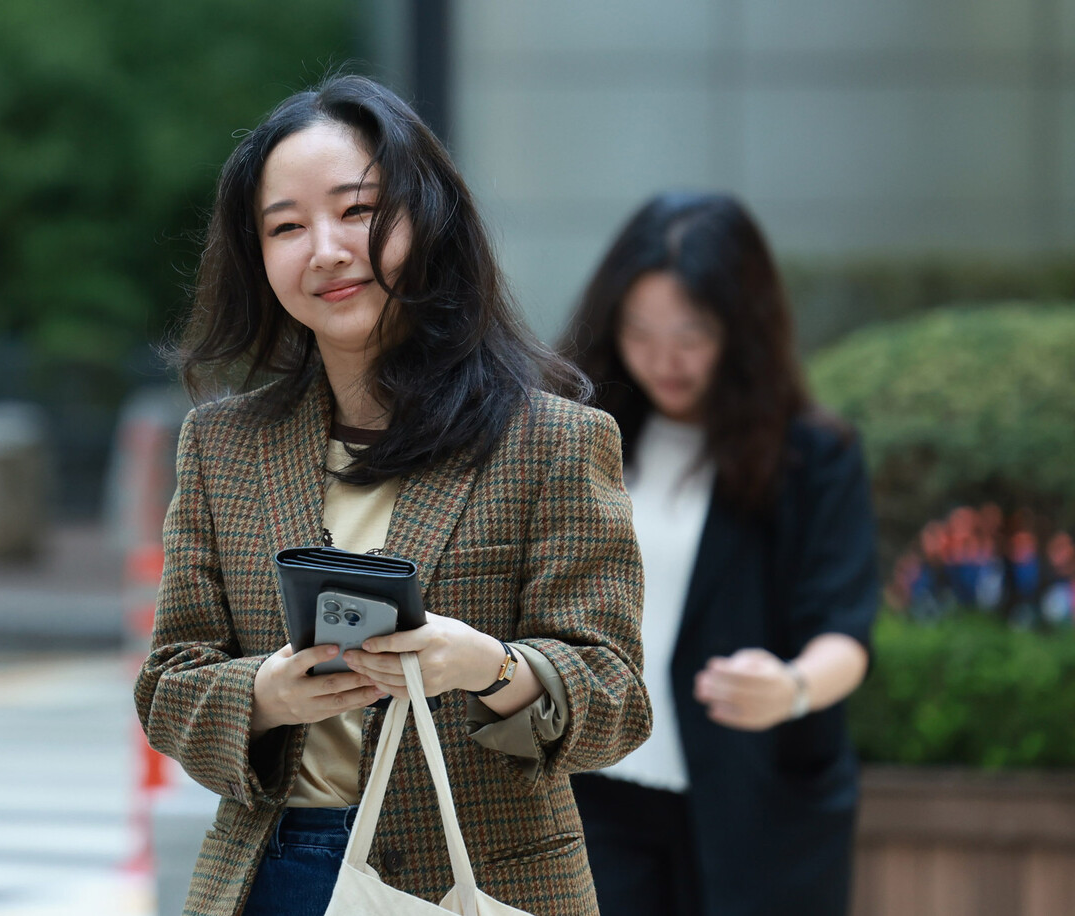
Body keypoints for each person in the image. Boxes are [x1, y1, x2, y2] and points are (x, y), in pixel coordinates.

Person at [133, 73, 651, 916]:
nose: (326, 250)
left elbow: (615, 696)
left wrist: (489, 667)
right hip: (274, 875)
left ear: (428, 219)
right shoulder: (222, 444)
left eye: (358, 211)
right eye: (286, 227)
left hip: (475, 882)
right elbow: (169, 685)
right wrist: (265, 694)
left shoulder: (553, 441)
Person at [559, 191, 880, 916]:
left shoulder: (812, 457)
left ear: (744, 327)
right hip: (599, 796)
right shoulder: (580, 434)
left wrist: (791, 687)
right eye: (639, 332)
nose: (663, 360)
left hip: (758, 806)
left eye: (691, 335)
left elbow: (844, 629)